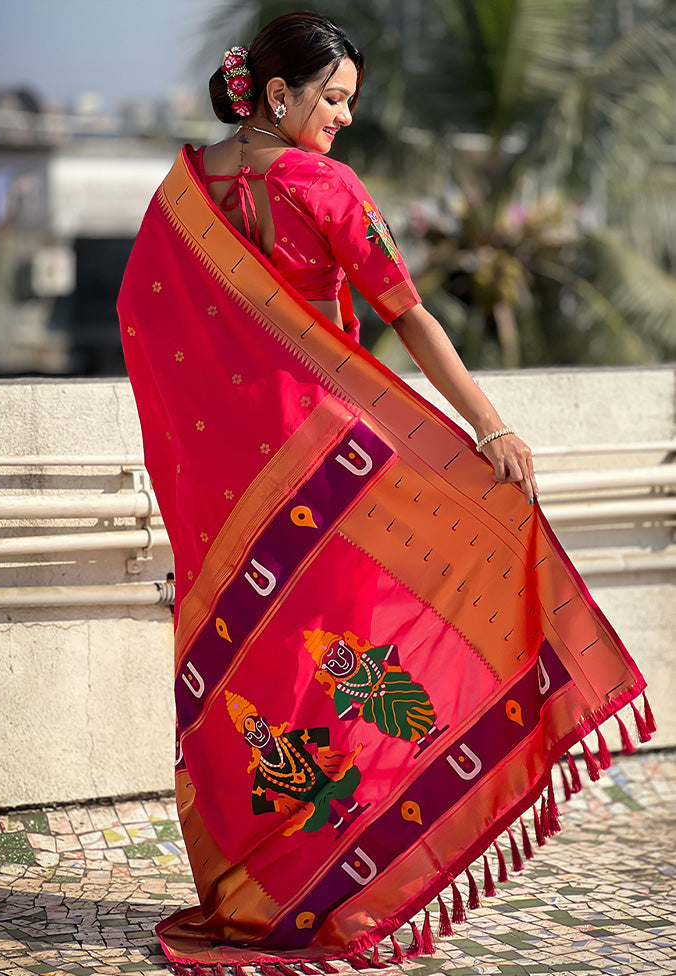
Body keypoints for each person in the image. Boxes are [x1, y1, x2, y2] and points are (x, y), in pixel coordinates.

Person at [118, 12, 651, 974]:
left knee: (261, 678)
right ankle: (335, 892)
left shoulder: (182, 191)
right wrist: (488, 426)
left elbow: (141, 317)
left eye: (351, 103)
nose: (345, 120)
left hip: (236, 503)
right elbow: (410, 320)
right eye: (333, 99)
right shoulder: (324, 187)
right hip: (336, 486)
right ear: (277, 97)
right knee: (351, 666)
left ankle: (252, 891)